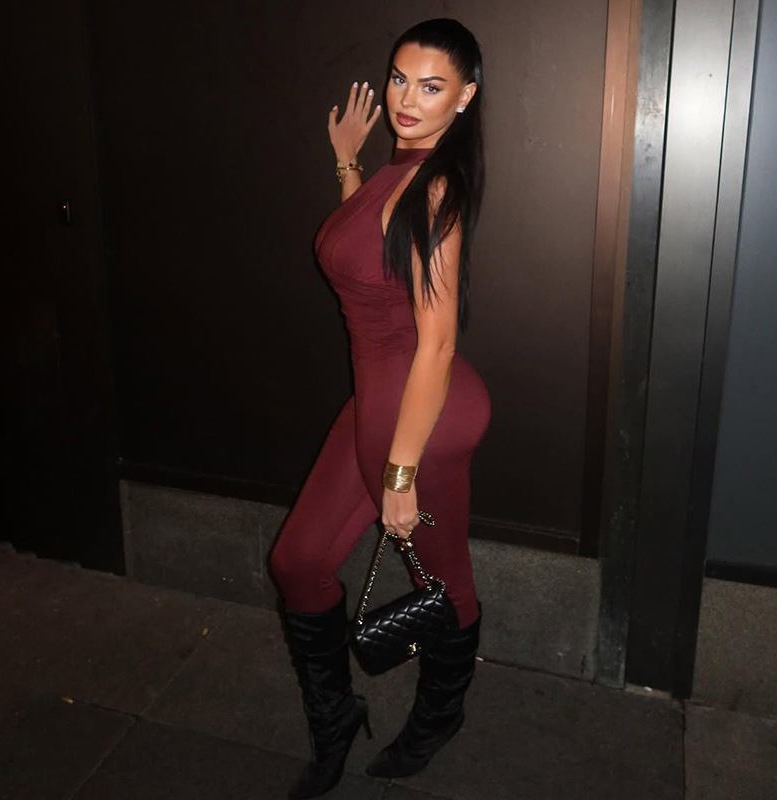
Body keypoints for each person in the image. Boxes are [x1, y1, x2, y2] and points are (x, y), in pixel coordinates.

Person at [270, 18, 491, 799]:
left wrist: (400, 473)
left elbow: (437, 342)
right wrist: (347, 162)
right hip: (379, 401)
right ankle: (337, 720)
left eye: (431, 87)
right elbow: (368, 250)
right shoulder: (399, 170)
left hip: (423, 419)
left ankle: (439, 717)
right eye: (400, 78)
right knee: (298, 561)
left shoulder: (436, 187)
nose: (407, 98)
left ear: (464, 96)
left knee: (445, 581)